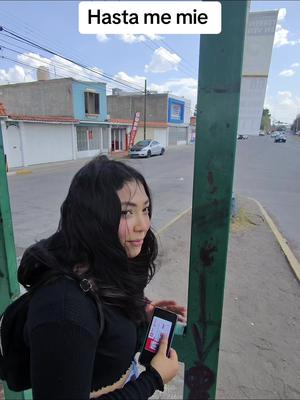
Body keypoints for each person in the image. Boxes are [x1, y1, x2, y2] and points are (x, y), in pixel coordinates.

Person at [18, 155, 186, 399]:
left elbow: (103, 310)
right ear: (93, 220)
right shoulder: (63, 310)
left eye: (145, 209)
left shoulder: (100, 261)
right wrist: (153, 379)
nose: (143, 225)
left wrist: (138, 310)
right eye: (127, 213)